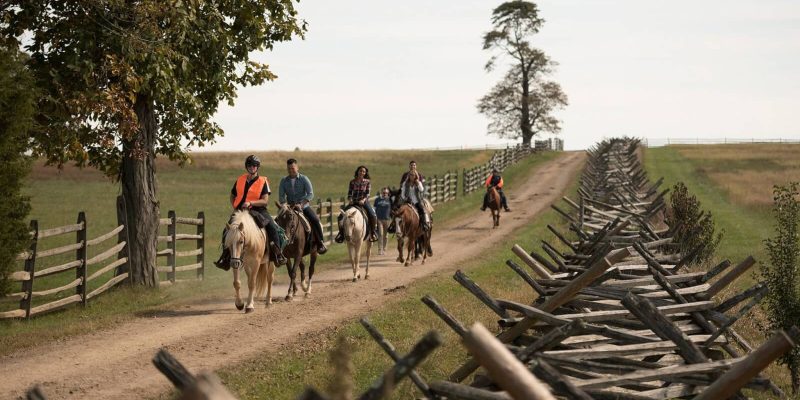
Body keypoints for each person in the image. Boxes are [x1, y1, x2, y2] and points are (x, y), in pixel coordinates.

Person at [214, 155, 286, 270]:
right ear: (246, 167)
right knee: (226, 231)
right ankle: (225, 257)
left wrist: (251, 203)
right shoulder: (240, 179)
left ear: (257, 167)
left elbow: (265, 200)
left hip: (258, 210)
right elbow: (232, 195)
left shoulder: (263, 181)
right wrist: (235, 206)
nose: (252, 167)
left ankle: (277, 254)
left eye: (254, 165)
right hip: (240, 211)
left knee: (272, 227)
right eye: (249, 165)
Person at [278, 158, 328, 254]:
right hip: (289, 208)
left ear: (297, 167)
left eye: (292, 168)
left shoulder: (304, 179)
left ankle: (320, 243)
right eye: (289, 168)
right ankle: (278, 246)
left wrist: (301, 204)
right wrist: (284, 205)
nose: (290, 170)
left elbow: (310, 194)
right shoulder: (284, 181)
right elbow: (281, 196)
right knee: (278, 221)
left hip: (304, 207)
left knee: (315, 220)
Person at [335, 165, 378, 243]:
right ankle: (341, 234)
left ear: (365, 173)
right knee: (340, 216)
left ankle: (373, 233)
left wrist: (363, 200)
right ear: (358, 171)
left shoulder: (367, 182)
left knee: (372, 214)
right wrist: (350, 199)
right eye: (360, 171)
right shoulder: (352, 182)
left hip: (363, 202)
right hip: (353, 202)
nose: (362, 172)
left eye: (364, 171)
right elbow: (349, 193)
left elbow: (367, 194)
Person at [373, 187, 393, 255]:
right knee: (380, 234)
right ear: (381, 193)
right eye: (384, 193)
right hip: (379, 219)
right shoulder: (377, 200)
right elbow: (374, 209)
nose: (385, 194)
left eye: (386, 193)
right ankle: (379, 250)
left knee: (386, 236)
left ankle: (384, 249)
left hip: (387, 219)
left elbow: (392, 210)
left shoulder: (390, 200)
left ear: (388, 194)